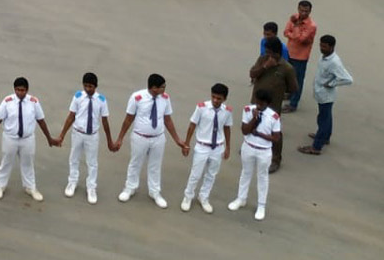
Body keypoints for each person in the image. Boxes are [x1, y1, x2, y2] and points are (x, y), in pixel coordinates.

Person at [112, 73, 186, 208]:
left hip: (158, 138)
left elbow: (168, 119)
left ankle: (155, 192)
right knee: (135, 163)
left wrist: (177, 139)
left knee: (155, 166)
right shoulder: (137, 98)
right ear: (154, 88)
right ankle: (130, 188)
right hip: (140, 137)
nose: (165, 89)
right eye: (162, 87)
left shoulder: (165, 98)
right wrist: (120, 138)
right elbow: (128, 119)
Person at [0, 76, 58, 201]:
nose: (20, 93)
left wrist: (49, 138)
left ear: (27, 90)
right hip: (10, 138)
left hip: (27, 139)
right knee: (6, 162)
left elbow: (41, 121)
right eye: (17, 90)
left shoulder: (34, 102)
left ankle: (30, 187)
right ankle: (0, 186)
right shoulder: (7, 101)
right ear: (14, 89)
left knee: (28, 163)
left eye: (22, 90)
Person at [56, 72, 112, 205]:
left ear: (96, 86)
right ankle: (72, 182)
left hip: (92, 135)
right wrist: (62, 134)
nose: (88, 89)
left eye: (91, 86)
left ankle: (91, 187)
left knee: (92, 162)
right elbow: (71, 116)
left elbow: (105, 121)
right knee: (74, 158)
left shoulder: (101, 100)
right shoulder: (78, 97)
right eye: (86, 86)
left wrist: (109, 139)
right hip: (78, 132)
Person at [229, 88, 280, 221]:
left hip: (264, 151)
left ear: (267, 103)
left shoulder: (274, 116)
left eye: (262, 103)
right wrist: (254, 118)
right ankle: (241, 198)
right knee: (246, 172)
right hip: (249, 147)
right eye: (257, 102)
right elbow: (245, 131)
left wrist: (260, 134)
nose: (259, 105)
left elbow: (276, 138)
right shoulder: (248, 110)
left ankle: (261, 205)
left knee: (262, 177)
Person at [181, 83, 232, 214]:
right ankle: (188, 197)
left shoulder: (227, 111)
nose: (215, 100)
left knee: (211, 174)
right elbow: (192, 125)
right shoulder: (201, 108)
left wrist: (228, 147)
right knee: (195, 174)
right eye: (213, 97)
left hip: (217, 147)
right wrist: (186, 144)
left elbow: (227, 128)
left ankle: (204, 196)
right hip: (202, 146)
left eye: (219, 98)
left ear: (224, 99)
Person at [298, 35, 353, 156]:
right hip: (320, 93)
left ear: (332, 47)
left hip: (326, 95)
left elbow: (348, 79)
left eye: (324, 46)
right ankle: (325, 137)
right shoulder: (324, 57)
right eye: (320, 45)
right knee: (326, 117)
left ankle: (316, 146)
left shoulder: (334, 62)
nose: (321, 48)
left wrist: (332, 83)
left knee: (323, 119)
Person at [249, 36, 297, 173]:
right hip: (256, 103)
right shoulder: (262, 60)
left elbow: (293, 88)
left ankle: (276, 160)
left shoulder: (287, 68)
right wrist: (265, 67)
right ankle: (254, 150)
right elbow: (252, 74)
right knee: (254, 125)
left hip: (273, 107)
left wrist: (279, 92)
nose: (267, 55)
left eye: (269, 52)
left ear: (277, 53)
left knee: (274, 132)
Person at [282, 1, 316, 112]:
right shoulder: (293, 18)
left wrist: (295, 27)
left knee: (298, 80)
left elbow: (301, 39)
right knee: (288, 76)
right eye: (301, 10)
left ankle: (293, 104)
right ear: (298, 8)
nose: (303, 13)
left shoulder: (311, 26)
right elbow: (286, 32)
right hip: (289, 52)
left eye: (306, 11)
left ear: (310, 11)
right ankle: (290, 94)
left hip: (301, 57)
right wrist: (294, 35)